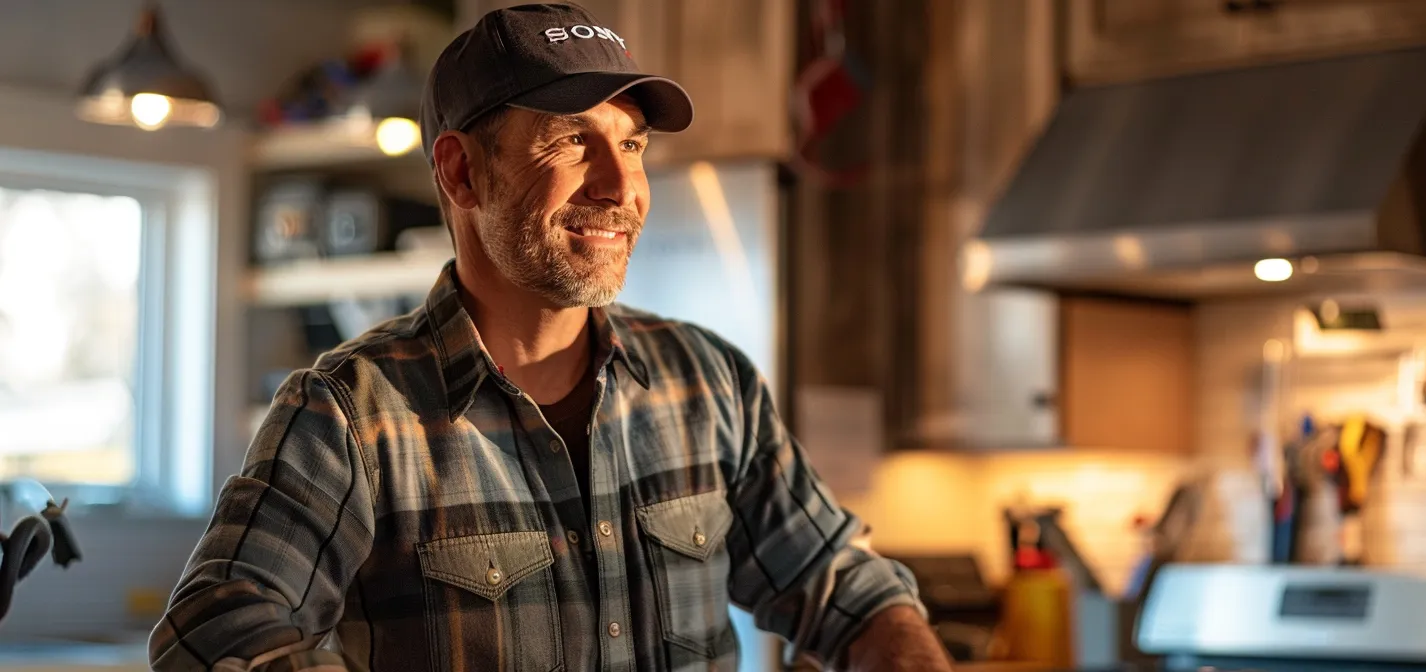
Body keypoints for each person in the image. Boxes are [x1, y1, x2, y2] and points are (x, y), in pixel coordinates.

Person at [149, 4, 952, 671]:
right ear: (463, 173)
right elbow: (215, 629)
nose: (620, 185)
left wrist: (903, 644)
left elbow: (841, 586)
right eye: (571, 140)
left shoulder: (708, 382)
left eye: (631, 143)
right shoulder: (351, 417)